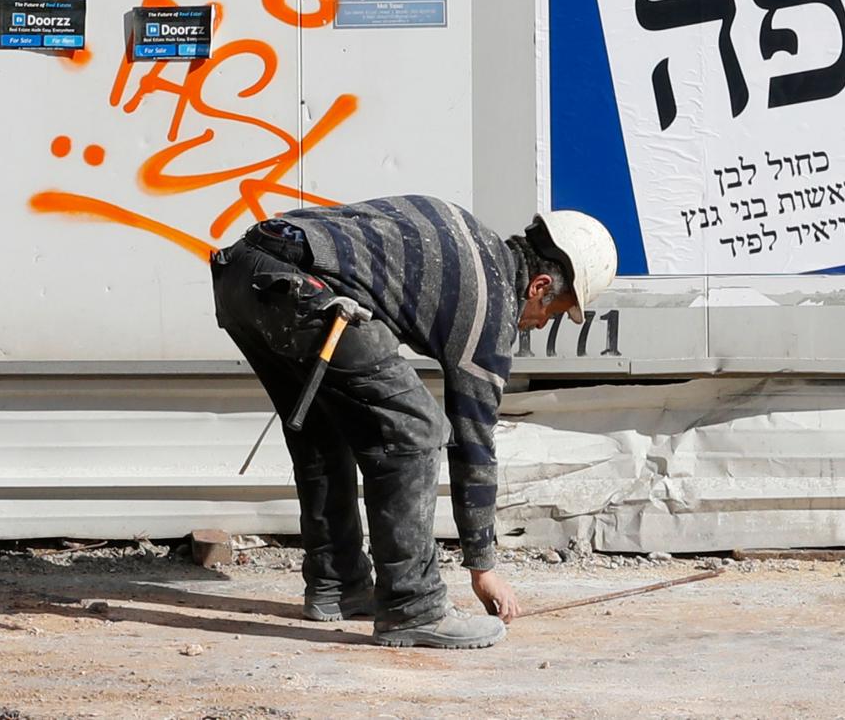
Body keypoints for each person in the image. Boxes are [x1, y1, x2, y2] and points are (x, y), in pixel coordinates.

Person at [210, 199, 618, 648]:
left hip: (241, 274)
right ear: (539, 285)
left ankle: (337, 584)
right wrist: (483, 569)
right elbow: (473, 443)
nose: (541, 325)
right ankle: (413, 606)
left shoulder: (467, 234)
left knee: (325, 430)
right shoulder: (490, 305)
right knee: (417, 431)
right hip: (300, 288)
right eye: (554, 312)